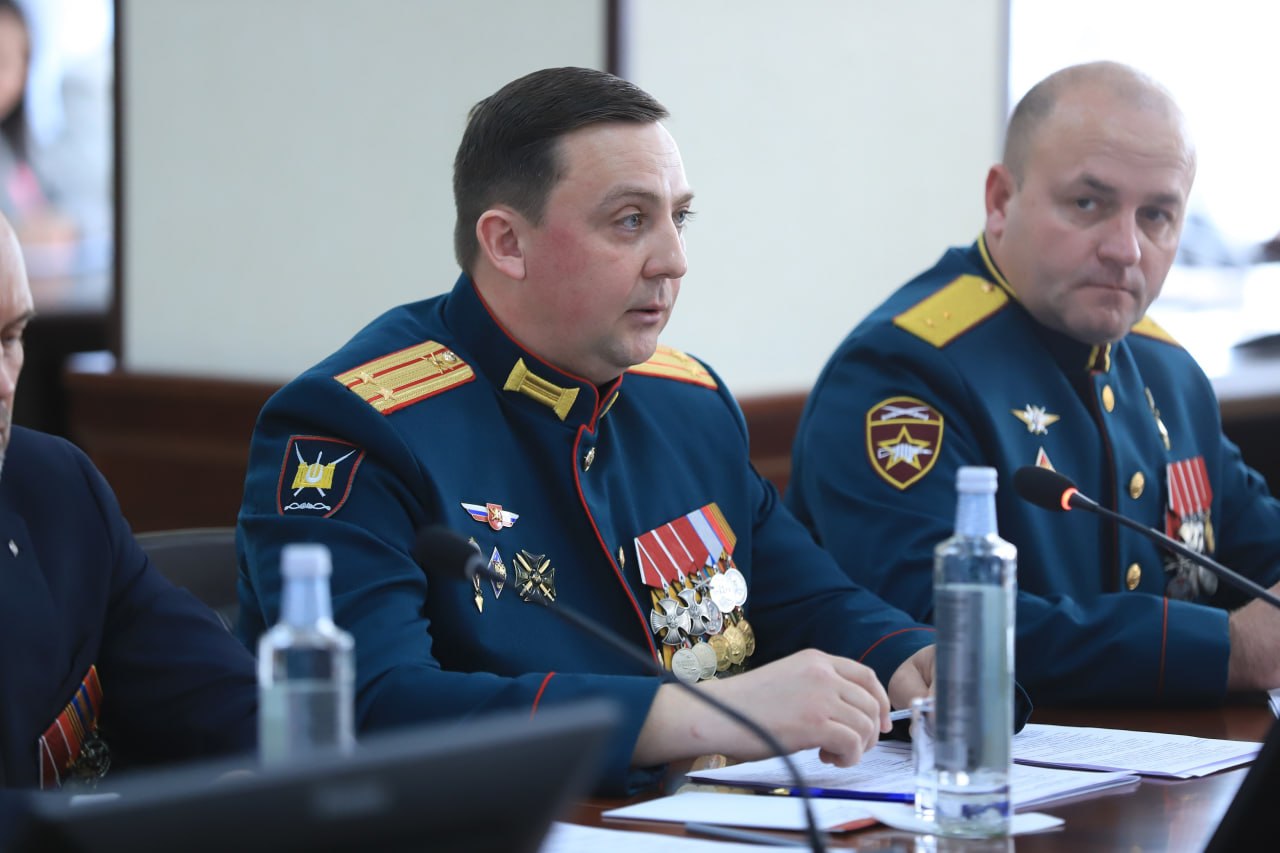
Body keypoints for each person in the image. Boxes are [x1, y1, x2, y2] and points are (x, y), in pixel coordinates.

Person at [236, 66, 937, 794]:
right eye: (630, 220)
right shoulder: (355, 424)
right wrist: (696, 716)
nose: (674, 260)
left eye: (679, 218)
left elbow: (806, 598)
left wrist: (910, 658)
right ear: (508, 243)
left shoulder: (687, 402)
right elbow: (367, 708)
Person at [787, 60, 1280, 707]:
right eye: (1088, 204)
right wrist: (1230, 648)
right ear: (1000, 201)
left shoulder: (1167, 369)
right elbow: (939, 627)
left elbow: (1259, 548)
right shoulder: (904, 371)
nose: (1126, 249)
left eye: (1157, 215)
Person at [0, 206, 257, 822]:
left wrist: (275, 784)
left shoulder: (54, 490)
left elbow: (220, 698)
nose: (5, 383)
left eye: (9, 339)